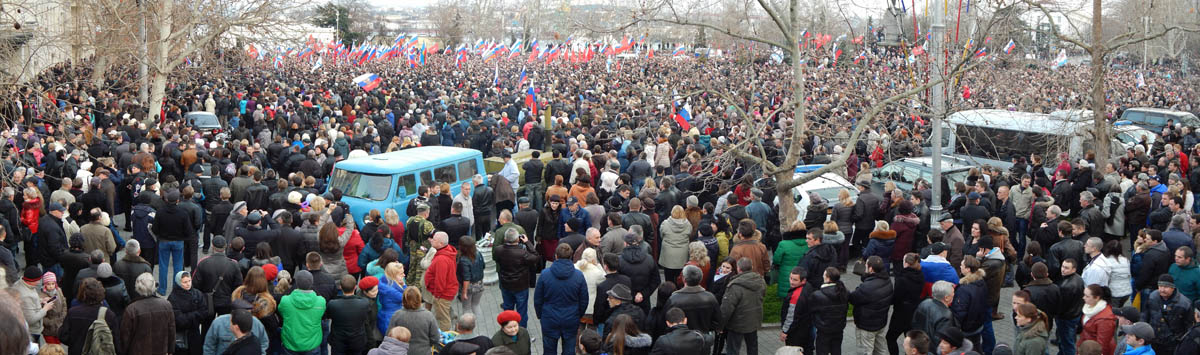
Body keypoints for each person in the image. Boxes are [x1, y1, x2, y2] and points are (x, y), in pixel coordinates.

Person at [534, 243, 589, 355]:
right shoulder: (578, 275)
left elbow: (538, 299)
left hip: (549, 318)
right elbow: (584, 300)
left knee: (549, 350)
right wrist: (578, 315)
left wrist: (541, 315)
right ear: (571, 256)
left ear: (556, 256)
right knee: (569, 349)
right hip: (571, 318)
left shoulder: (545, 274)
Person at [493, 228, 540, 327]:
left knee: (508, 309)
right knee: (521, 311)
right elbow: (536, 256)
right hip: (521, 286)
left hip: (505, 284)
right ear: (518, 239)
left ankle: (507, 328)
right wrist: (527, 242)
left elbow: (495, 258)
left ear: (505, 238)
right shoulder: (523, 253)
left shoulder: (498, 250)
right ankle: (521, 331)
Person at [153, 190, 197, 295]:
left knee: (163, 265)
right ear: (177, 200)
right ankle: (176, 289)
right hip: (178, 242)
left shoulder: (160, 212)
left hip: (164, 241)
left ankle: (162, 289)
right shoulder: (183, 213)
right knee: (178, 266)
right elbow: (189, 230)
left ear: (167, 200)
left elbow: (155, 229)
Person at [120, 272, 176, 355]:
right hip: (161, 350)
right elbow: (171, 330)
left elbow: (125, 337)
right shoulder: (166, 305)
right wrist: (171, 350)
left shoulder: (131, 309)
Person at [60, 278, 118, 355]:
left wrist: (75, 342)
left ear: (82, 293)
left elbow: (63, 336)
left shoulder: (73, 312)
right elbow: (116, 341)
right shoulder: (109, 315)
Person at [720, 257, 766, 355]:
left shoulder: (735, 285)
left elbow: (726, 309)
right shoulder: (760, 281)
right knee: (752, 347)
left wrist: (720, 325)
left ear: (738, 268)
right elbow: (762, 296)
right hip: (754, 320)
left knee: (733, 350)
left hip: (737, 324)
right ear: (751, 267)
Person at [849, 256, 892, 355]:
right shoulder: (887, 280)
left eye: (866, 265)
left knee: (865, 351)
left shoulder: (867, 288)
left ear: (871, 269)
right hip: (880, 323)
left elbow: (853, 298)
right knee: (880, 350)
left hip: (866, 326)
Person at [279, 270, 327, 355]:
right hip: (312, 344)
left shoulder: (285, 301)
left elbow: (282, 313)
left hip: (291, 344)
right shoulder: (321, 301)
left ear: (296, 283)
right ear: (311, 283)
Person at [1142, 274, 1194, 354]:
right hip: (1154, 340)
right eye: (1160, 286)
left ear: (1173, 288)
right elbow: (1145, 315)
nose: (1162, 290)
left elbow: (1189, 326)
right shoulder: (1152, 297)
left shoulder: (1184, 304)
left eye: (1166, 287)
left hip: (1173, 344)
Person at [195, 236, 245, 317]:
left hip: (208, 301)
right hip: (226, 302)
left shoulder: (203, 263)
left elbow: (196, 284)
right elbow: (238, 285)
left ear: (212, 246)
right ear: (225, 246)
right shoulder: (233, 264)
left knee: (207, 327)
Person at [887, 253, 926, 355]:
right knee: (910, 338)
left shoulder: (902, 278)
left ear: (907, 263)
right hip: (914, 310)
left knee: (890, 337)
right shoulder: (920, 275)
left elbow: (897, 296)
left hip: (901, 312)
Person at [326, 275, 373, 355]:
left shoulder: (332, 304)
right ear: (355, 287)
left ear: (340, 287)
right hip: (357, 341)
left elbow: (328, 316)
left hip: (338, 342)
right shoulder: (364, 303)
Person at [387, 288, 440, 355]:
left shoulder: (397, 315)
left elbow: (389, 336)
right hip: (423, 352)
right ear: (419, 298)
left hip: (401, 352)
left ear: (404, 299)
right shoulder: (428, 316)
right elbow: (435, 338)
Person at [425, 231, 460, 330]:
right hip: (447, 291)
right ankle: (455, 319)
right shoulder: (447, 251)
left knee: (442, 319)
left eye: (434, 239)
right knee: (445, 312)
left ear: (440, 244)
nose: (431, 240)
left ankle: (445, 340)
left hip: (442, 294)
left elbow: (440, 280)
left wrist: (437, 295)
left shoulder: (441, 259)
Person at [810, 266, 849, 355]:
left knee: (822, 351)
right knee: (836, 350)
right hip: (839, 329)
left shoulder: (817, 295)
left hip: (824, 330)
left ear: (827, 278)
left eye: (824, 275)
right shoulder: (844, 292)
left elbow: (812, 311)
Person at [168, 271, 208, 355]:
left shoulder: (197, 294)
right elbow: (178, 319)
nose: (188, 284)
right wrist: (195, 315)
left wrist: (189, 316)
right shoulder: (173, 298)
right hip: (180, 336)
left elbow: (204, 312)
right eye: (185, 282)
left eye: (189, 281)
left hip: (195, 334)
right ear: (179, 282)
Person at [618, 232, 659, 313]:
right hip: (643, 301)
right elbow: (656, 280)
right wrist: (643, 294)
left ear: (625, 243)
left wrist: (631, 295)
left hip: (625, 302)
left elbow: (618, 281)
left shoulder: (619, 260)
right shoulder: (649, 259)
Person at [13, 266, 54, 345]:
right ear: (33, 280)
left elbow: (30, 303)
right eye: (38, 279)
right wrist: (45, 309)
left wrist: (41, 301)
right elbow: (31, 319)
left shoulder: (23, 283)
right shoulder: (25, 296)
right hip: (31, 332)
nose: (39, 282)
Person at [912, 280, 957, 346]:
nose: (954, 294)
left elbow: (914, 323)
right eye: (953, 292)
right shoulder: (946, 316)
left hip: (919, 344)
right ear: (946, 298)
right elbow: (941, 342)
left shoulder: (924, 303)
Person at [1058, 258, 1086, 355]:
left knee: (1068, 343)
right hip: (1075, 314)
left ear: (1073, 269)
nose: (1063, 269)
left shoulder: (1066, 286)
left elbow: (1062, 305)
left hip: (1066, 318)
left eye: (1066, 268)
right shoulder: (1079, 279)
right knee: (1068, 339)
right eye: (1062, 266)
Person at [1080, 284, 1117, 355]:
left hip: (1093, 350)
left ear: (1097, 298)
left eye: (1087, 296)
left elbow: (1102, 344)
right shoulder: (1089, 306)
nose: (1083, 298)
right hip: (1087, 345)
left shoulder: (1105, 319)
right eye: (1084, 295)